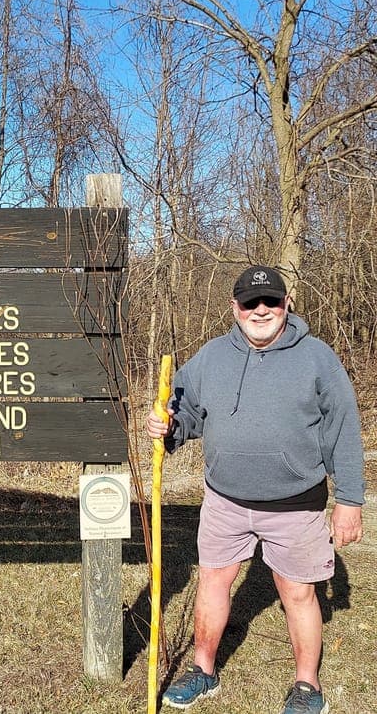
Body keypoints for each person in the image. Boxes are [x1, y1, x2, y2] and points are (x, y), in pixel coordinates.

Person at [146, 265, 365, 714]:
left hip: (295, 504)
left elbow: (344, 429)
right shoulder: (211, 356)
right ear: (235, 308)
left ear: (286, 304)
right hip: (224, 499)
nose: (260, 310)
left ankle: (307, 686)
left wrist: (349, 500)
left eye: (270, 301)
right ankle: (203, 672)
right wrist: (167, 426)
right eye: (250, 302)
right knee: (213, 580)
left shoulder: (317, 357)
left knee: (298, 592)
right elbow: (184, 410)